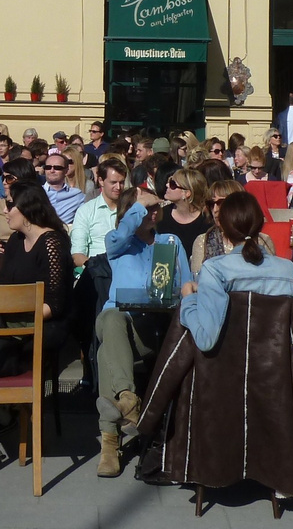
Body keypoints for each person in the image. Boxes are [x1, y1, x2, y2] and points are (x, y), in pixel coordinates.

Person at [93, 188, 184, 477]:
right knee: (112, 320)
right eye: (144, 208)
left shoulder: (170, 242)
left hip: (152, 328)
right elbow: (117, 239)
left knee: (108, 350)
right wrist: (138, 207)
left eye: (155, 206)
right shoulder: (119, 242)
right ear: (129, 212)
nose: (151, 212)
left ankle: (115, 427)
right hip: (118, 319)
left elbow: (186, 285)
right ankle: (128, 403)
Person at [178, 192, 293, 351]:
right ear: (261, 224)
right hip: (275, 364)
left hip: (228, 366)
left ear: (223, 228)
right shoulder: (287, 269)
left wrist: (189, 299)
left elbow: (205, 339)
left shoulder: (214, 269)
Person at [0, 182, 74, 357]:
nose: (5, 211)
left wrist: (13, 316)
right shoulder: (16, 240)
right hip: (11, 317)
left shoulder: (52, 243)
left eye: (10, 205)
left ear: (27, 208)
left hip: (41, 324)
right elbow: (6, 286)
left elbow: (54, 304)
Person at [70, 159, 126, 267]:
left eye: (122, 182)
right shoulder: (86, 211)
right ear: (101, 181)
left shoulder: (131, 210)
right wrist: (96, 268)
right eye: (113, 182)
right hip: (97, 273)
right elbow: (77, 255)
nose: (118, 187)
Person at [190, 178, 252, 274]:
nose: (215, 210)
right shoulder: (202, 241)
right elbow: (198, 281)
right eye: (211, 204)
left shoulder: (260, 241)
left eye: (221, 203)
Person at [157, 166, 212, 259]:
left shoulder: (206, 221)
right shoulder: (161, 215)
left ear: (186, 193)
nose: (166, 185)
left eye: (172, 184)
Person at [41, 151, 85, 223]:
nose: (52, 171)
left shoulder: (77, 195)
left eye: (57, 168)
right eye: (48, 167)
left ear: (66, 170)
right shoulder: (34, 192)